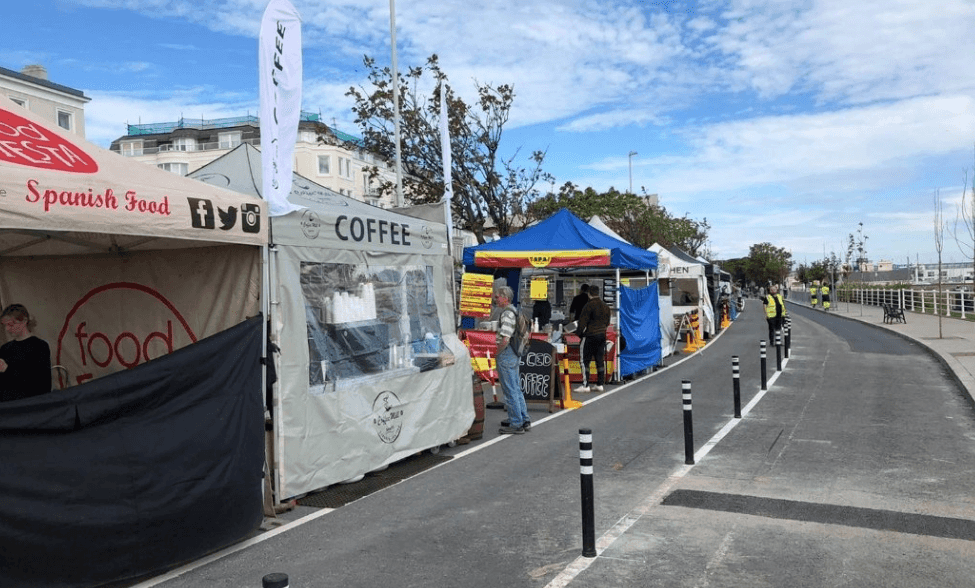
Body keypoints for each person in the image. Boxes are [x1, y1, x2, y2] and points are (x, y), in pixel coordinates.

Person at [493, 286, 530, 435]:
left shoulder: (506, 314)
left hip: (507, 354)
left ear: (505, 298)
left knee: (510, 389)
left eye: (498, 296)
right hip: (514, 353)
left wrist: (497, 352)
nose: (495, 298)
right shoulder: (514, 311)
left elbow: (505, 338)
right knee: (516, 387)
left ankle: (516, 423)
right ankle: (523, 418)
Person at [0, 304, 52, 402]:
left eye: (11, 324)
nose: (7, 329)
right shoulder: (5, 349)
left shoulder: (39, 346)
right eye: (5, 325)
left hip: (30, 406)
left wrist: (8, 369)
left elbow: (41, 384)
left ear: (24, 321)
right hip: (6, 408)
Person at [575, 284, 611, 393]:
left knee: (584, 361)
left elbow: (582, 323)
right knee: (599, 360)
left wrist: (579, 334)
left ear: (589, 293)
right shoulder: (606, 306)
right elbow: (607, 323)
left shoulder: (588, 306)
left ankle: (585, 385)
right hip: (601, 336)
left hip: (590, 336)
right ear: (598, 293)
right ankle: (600, 384)